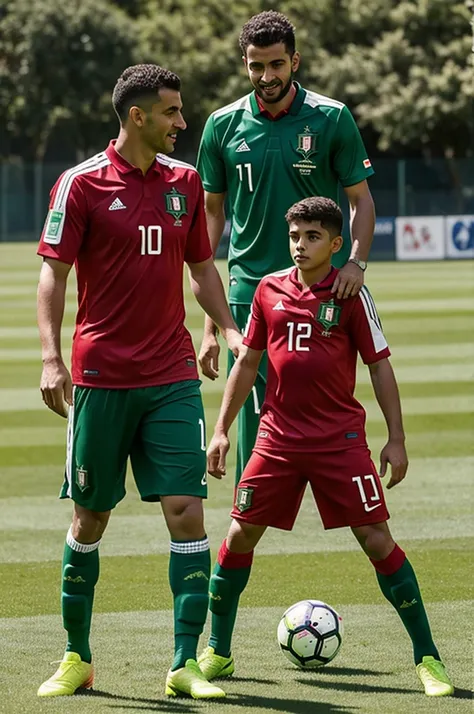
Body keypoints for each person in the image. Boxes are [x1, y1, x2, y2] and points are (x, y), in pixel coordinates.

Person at [36, 63, 242, 700]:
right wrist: (51, 358)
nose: (183, 123)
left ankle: (183, 664)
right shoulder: (80, 185)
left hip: (173, 375)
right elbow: (52, 277)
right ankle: (77, 657)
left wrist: (229, 330)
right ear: (137, 116)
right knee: (90, 518)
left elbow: (202, 270)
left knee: (187, 513)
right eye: (173, 112)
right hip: (100, 378)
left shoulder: (185, 182)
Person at [197, 197, 454, 698]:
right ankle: (218, 651)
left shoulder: (353, 294)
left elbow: (380, 366)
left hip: (339, 440)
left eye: (312, 237)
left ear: (335, 244)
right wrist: (222, 428)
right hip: (276, 439)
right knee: (240, 532)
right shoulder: (268, 291)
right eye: (294, 236)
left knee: (376, 539)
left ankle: (428, 659)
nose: (300, 245)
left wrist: (396, 439)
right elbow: (247, 363)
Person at [197, 10, 376, 487]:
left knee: (328, 404)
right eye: (256, 66)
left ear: (294, 61)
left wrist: (356, 262)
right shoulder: (221, 125)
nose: (266, 76)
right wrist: (211, 325)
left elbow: (359, 198)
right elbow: (211, 223)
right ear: (244, 65)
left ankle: (343, 499)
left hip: (321, 294)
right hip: (248, 292)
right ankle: (249, 521)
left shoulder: (331, 117)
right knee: (253, 419)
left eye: (276, 64)